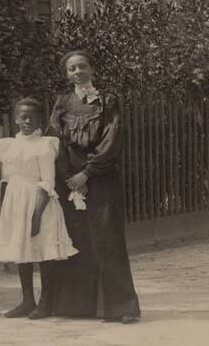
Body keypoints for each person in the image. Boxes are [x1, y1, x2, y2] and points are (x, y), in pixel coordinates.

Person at [46, 51, 141, 324]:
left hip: (101, 179)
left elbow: (112, 138)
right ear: (67, 74)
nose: (78, 72)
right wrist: (69, 178)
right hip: (69, 182)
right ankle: (79, 307)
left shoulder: (108, 101)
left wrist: (87, 173)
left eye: (82, 66)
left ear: (91, 69)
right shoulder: (62, 103)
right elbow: (56, 141)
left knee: (107, 239)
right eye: (72, 68)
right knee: (76, 239)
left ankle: (121, 307)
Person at [0, 97, 77, 319]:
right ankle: (27, 300)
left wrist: (36, 216)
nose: (27, 120)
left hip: (39, 203)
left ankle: (46, 302)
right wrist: (6, 209)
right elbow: (7, 180)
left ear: (40, 119)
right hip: (16, 203)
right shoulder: (8, 145)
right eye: (23, 116)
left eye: (32, 116)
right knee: (22, 251)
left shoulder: (45, 145)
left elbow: (47, 181)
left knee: (44, 251)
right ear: (16, 119)